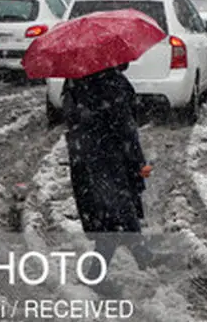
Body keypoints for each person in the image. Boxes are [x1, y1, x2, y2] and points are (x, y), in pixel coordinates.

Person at [62, 65, 158, 269]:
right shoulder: (113, 84)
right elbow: (126, 129)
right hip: (111, 162)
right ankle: (98, 273)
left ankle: (141, 253)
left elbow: (72, 120)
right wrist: (138, 163)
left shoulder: (75, 82)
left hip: (85, 162)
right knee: (116, 216)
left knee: (110, 217)